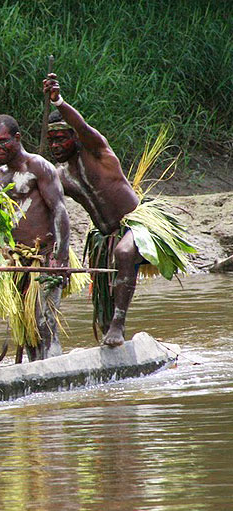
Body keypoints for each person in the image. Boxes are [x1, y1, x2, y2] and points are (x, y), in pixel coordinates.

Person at [43, 73, 195, 346]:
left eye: (61, 140)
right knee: (102, 305)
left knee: (123, 252)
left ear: (76, 138)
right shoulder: (59, 175)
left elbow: (82, 124)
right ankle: (109, 334)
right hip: (103, 236)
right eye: (50, 141)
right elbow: (46, 202)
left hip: (138, 224)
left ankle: (119, 325)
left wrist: (59, 102)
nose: (55, 146)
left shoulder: (99, 152)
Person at [0, 114, 71, 361]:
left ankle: (54, 374)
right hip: (15, 262)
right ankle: (37, 375)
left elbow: (59, 210)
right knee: (27, 329)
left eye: (2, 142)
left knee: (45, 323)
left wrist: (60, 257)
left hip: (45, 258)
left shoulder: (39, 167)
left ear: (17, 138)